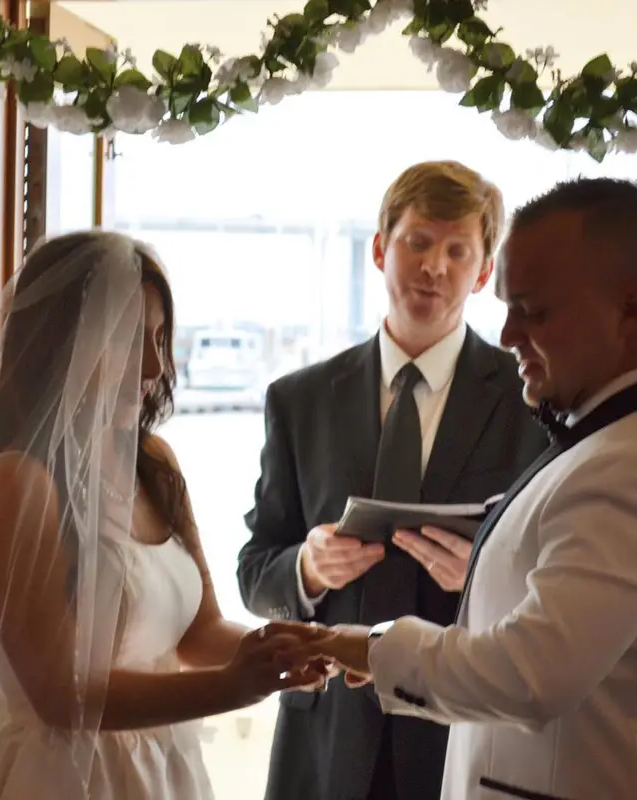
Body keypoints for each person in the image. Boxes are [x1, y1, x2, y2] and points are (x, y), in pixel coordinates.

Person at [0, 231, 328, 800]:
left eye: (160, 337)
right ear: (64, 342)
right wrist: (229, 689)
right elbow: (57, 694)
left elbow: (200, 631)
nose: (157, 364)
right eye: (132, 339)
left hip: (162, 768)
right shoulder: (16, 482)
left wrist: (300, 646)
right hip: (65, 777)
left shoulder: (153, 463)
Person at [304, 178, 637, 799]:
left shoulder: (633, 468)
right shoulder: (611, 444)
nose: (506, 335)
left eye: (533, 311)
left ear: (632, 308)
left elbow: (530, 675)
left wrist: (366, 646)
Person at [236, 161, 548, 800]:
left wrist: (484, 578)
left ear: (483, 271)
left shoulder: (530, 405)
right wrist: (308, 570)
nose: (435, 266)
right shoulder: (299, 401)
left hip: (460, 733)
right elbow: (254, 571)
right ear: (380, 249)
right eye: (418, 242)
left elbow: (554, 579)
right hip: (323, 740)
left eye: (458, 250)